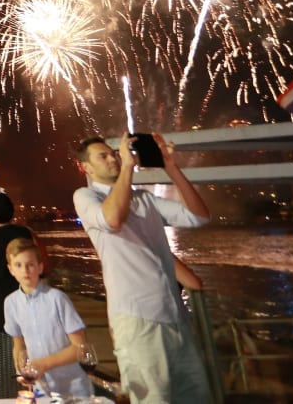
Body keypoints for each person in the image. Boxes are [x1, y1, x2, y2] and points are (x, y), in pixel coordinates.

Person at [73, 133, 211, 403]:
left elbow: (199, 216)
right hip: (137, 319)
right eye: (103, 156)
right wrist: (127, 167)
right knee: (152, 398)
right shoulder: (86, 196)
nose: (113, 158)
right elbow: (112, 219)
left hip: (175, 316)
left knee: (194, 397)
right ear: (86, 167)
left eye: (114, 154)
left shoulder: (144, 199)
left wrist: (171, 168)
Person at [3, 237, 92, 398]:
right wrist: (21, 370)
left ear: (40, 267)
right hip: (42, 389)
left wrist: (44, 364)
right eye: (18, 265)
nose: (25, 270)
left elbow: (80, 347)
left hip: (74, 388)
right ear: (11, 269)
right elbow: (19, 345)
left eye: (30, 264)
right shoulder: (11, 303)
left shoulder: (57, 299)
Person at [0, 191, 49, 332]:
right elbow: (44, 264)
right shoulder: (27, 233)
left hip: (0, 303)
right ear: (12, 212)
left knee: (3, 341)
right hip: (28, 296)